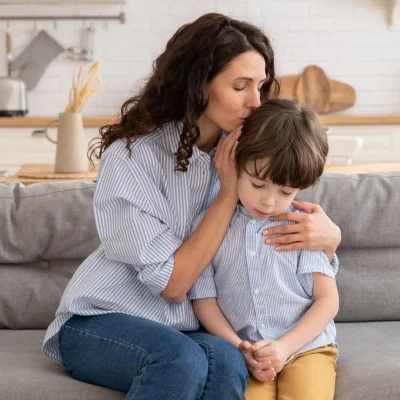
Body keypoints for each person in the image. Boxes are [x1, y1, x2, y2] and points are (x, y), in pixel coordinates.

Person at [42, 13, 341, 400]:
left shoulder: (249, 157)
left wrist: (331, 237)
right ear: (199, 86)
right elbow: (174, 284)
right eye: (240, 86)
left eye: (261, 85)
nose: (255, 101)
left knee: (229, 363)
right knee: (180, 361)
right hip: (102, 319)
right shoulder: (133, 157)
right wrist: (226, 193)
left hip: (185, 328)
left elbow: (290, 200)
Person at [189, 98, 339, 400]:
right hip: (248, 355)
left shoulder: (303, 227)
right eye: (258, 185)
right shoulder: (211, 226)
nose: (269, 202)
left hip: (305, 348)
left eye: (285, 191)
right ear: (236, 163)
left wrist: (284, 348)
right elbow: (204, 300)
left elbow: (327, 300)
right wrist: (237, 347)